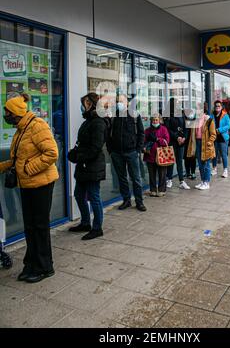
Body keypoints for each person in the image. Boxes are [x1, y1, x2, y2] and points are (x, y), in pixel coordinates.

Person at [0, 94, 59, 283]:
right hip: (27, 184)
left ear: (15, 113)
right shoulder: (21, 128)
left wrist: (27, 169)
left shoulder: (37, 125)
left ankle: (45, 267)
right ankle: (31, 263)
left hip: (41, 184)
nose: (5, 115)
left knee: (40, 226)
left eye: (7, 112)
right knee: (30, 226)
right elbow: (19, 157)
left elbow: (52, 153)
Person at [68, 93, 108, 240]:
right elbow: (82, 142)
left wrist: (79, 156)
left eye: (84, 103)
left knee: (94, 196)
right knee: (79, 194)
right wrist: (74, 152)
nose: (82, 106)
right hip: (83, 166)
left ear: (91, 104)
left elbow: (95, 147)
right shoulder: (88, 122)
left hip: (92, 166)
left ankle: (97, 228)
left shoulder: (98, 122)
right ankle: (85, 222)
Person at [107, 94, 146, 212]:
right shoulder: (113, 116)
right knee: (122, 178)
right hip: (117, 153)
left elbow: (141, 133)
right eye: (118, 101)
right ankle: (127, 200)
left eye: (121, 101)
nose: (119, 103)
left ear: (127, 103)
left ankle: (139, 202)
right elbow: (108, 134)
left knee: (136, 178)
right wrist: (111, 150)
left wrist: (138, 150)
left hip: (132, 152)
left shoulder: (135, 115)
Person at [163, 98, 190, 190]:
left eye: (179, 103)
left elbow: (186, 127)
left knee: (179, 161)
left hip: (181, 142)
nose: (178, 105)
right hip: (172, 141)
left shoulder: (182, 114)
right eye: (176, 103)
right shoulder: (167, 115)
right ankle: (169, 179)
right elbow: (167, 129)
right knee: (171, 161)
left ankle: (181, 181)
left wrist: (184, 138)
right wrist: (176, 137)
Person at [143, 113, 170, 197]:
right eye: (153, 120)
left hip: (161, 155)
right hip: (150, 155)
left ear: (159, 120)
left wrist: (158, 139)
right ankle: (153, 190)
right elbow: (143, 142)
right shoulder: (147, 130)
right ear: (151, 120)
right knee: (152, 174)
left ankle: (162, 190)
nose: (155, 121)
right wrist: (144, 147)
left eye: (156, 120)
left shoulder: (164, 129)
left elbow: (167, 142)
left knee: (162, 174)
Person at [195, 104, 217, 190]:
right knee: (200, 164)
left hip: (206, 144)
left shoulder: (209, 120)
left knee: (206, 164)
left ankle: (206, 182)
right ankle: (202, 181)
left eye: (199, 109)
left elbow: (213, 134)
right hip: (198, 143)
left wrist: (209, 142)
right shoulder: (196, 120)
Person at [211, 101, 230, 178]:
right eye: (216, 106)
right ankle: (214, 168)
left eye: (219, 106)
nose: (217, 107)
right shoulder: (212, 115)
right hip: (214, 137)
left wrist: (220, 130)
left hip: (223, 138)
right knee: (214, 154)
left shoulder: (225, 115)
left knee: (223, 154)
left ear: (221, 107)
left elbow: (228, 125)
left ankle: (225, 170)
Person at [183, 108, 197, 180]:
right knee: (186, 158)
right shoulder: (184, 121)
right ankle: (188, 172)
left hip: (193, 142)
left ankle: (193, 172)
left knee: (193, 158)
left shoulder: (195, 122)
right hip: (185, 142)